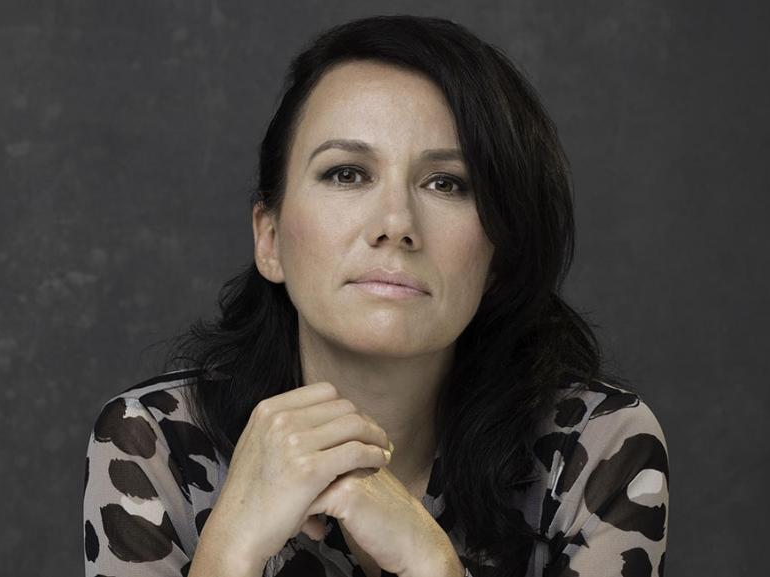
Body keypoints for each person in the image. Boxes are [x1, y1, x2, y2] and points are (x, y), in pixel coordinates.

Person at [83, 14, 669, 577]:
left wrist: (433, 566)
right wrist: (230, 550)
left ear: (498, 255)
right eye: (347, 173)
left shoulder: (598, 449)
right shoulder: (154, 443)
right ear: (270, 239)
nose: (396, 224)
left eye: (447, 183)